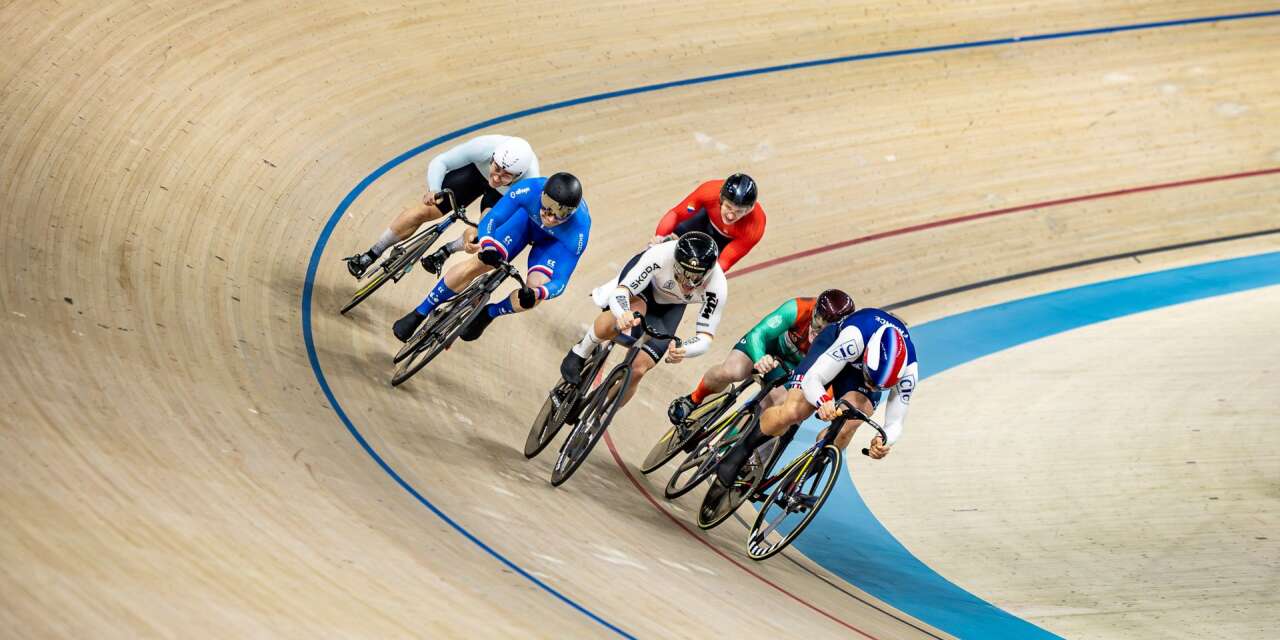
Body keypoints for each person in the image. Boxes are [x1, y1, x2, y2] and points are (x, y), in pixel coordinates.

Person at [713, 307, 919, 487]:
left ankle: (797, 479)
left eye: (879, 387)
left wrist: (884, 442)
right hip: (832, 347)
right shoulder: (854, 338)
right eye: (870, 380)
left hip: (858, 371)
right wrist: (823, 401)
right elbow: (814, 378)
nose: (871, 387)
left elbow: (895, 423)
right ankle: (740, 452)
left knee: (851, 422)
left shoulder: (909, 372)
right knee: (795, 411)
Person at [391, 172, 588, 343]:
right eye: (547, 208)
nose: (551, 218)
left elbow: (560, 281)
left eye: (560, 215)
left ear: (572, 212)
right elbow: (492, 219)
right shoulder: (529, 189)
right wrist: (488, 245)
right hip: (523, 223)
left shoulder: (579, 231)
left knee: (533, 294)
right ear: (542, 196)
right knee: (479, 263)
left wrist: (539, 293)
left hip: (551, 245)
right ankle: (420, 311)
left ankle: (489, 313)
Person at [557, 232, 726, 410]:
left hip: (671, 307)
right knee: (624, 323)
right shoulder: (660, 255)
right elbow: (622, 292)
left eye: (696, 277)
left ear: (708, 272)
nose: (688, 281)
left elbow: (706, 336)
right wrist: (623, 313)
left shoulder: (717, 286)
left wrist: (685, 349)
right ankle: (580, 352)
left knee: (638, 369)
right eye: (683, 273)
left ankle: (599, 410)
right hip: (643, 288)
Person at [344, 135, 538, 278]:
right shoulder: (484, 147)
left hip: (503, 196)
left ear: (519, 175)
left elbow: (518, 218)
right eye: (496, 169)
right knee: (424, 211)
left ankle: (447, 251)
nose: (496, 178)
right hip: (475, 174)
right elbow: (441, 161)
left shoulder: (529, 182)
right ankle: (371, 254)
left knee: (482, 230)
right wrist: (434, 189)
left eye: (505, 176)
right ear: (493, 158)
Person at [666, 289, 856, 427]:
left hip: (794, 370)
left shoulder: (846, 341)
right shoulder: (798, 308)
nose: (818, 329)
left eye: (827, 327)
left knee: (773, 401)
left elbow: (831, 380)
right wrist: (759, 357)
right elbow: (759, 333)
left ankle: (729, 447)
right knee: (732, 370)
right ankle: (693, 399)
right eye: (818, 320)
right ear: (814, 310)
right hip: (768, 348)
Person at [650, 173, 766, 273]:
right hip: (705, 218)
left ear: (749, 210)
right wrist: (660, 237)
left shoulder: (755, 225)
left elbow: (724, 262)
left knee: (700, 270)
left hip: (724, 240)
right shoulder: (709, 191)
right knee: (668, 240)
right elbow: (676, 214)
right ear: (720, 199)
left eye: (739, 211)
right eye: (728, 207)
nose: (731, 216)